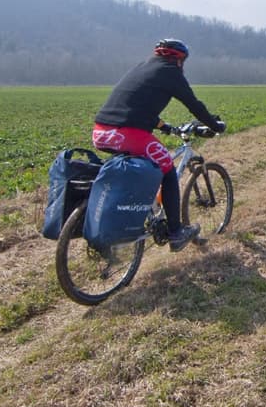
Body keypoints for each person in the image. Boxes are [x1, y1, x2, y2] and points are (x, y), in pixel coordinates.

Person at [92, 38, 226, 252]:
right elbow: (194, 105)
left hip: (101, 132)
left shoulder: (142, 67)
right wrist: (215, 126)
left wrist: (163, 126)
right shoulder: (171, 73)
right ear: (180, 60)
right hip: (126, 133)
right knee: (168, 169)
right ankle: (176, 233)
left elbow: (135, 103)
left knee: (140, 169)